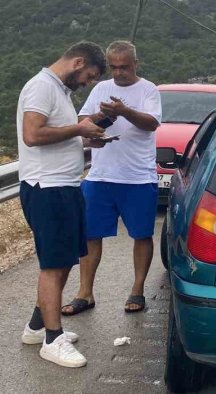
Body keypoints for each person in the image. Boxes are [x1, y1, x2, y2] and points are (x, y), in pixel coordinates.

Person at [17, 41, 107, 368]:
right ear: (78, 62)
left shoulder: (60, 91)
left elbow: (58, 134)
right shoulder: (41, 86)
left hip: (65, 186)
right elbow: (32, 134)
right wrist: (79, 128)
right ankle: (52, 340)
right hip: (47, 188)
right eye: (89, 76)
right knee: (53, 265)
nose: (87, 83)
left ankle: (37, 327)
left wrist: (85, 139)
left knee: (66, 258)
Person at [62, 40, 162, 317]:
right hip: (100, 176)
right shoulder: (101, 89)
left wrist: (124, 111)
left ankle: (137, 289)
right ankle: (85, 293)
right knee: (90, 235)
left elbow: (152, 123)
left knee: (141, 235)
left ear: (135, 64)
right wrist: (98, 120)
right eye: (114, 67)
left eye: (124, 67)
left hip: (138, 178)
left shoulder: (149, 89)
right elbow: (83, 121)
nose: (119, 73)